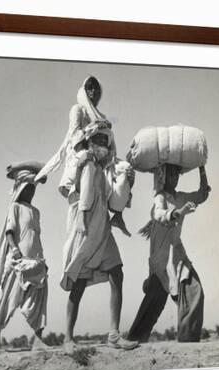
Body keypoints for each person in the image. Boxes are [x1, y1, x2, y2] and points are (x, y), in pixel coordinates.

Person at [35, 76, 138, 352]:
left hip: (102, 222)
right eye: (89, 86)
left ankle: (114, 334)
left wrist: (124, 180)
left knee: (117, 271)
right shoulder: (83, 157)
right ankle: (68, 339)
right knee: (79, 279)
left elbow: (114, 197)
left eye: (97, 88)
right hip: (83, 220)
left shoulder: (105, 168)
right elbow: (69, 167)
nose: (93, 91)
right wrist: (81, 216)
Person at [127, 164, 210, 343]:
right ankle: (134, 339)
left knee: (194, 291)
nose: (175, 177)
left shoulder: (180, 197)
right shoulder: (160, 197)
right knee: (154, 302)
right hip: (161, 258)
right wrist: (180, 212)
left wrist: (201, 169)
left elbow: (202, 194)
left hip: (176, 254)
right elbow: (159, 214)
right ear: (162, 177)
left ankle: (188, 340)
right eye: (170, 174)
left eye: (176, 173)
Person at [0, 163, 49, 352]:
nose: (31, 191)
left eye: (33, 188)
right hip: (18, 261)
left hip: (36, 260)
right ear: (21, 188)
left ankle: (38, 339)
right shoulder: (14, 207)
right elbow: (9, 232)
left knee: (39, 300)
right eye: (28, 187)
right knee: (8, 300)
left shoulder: (36, 211)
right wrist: (14, 249)